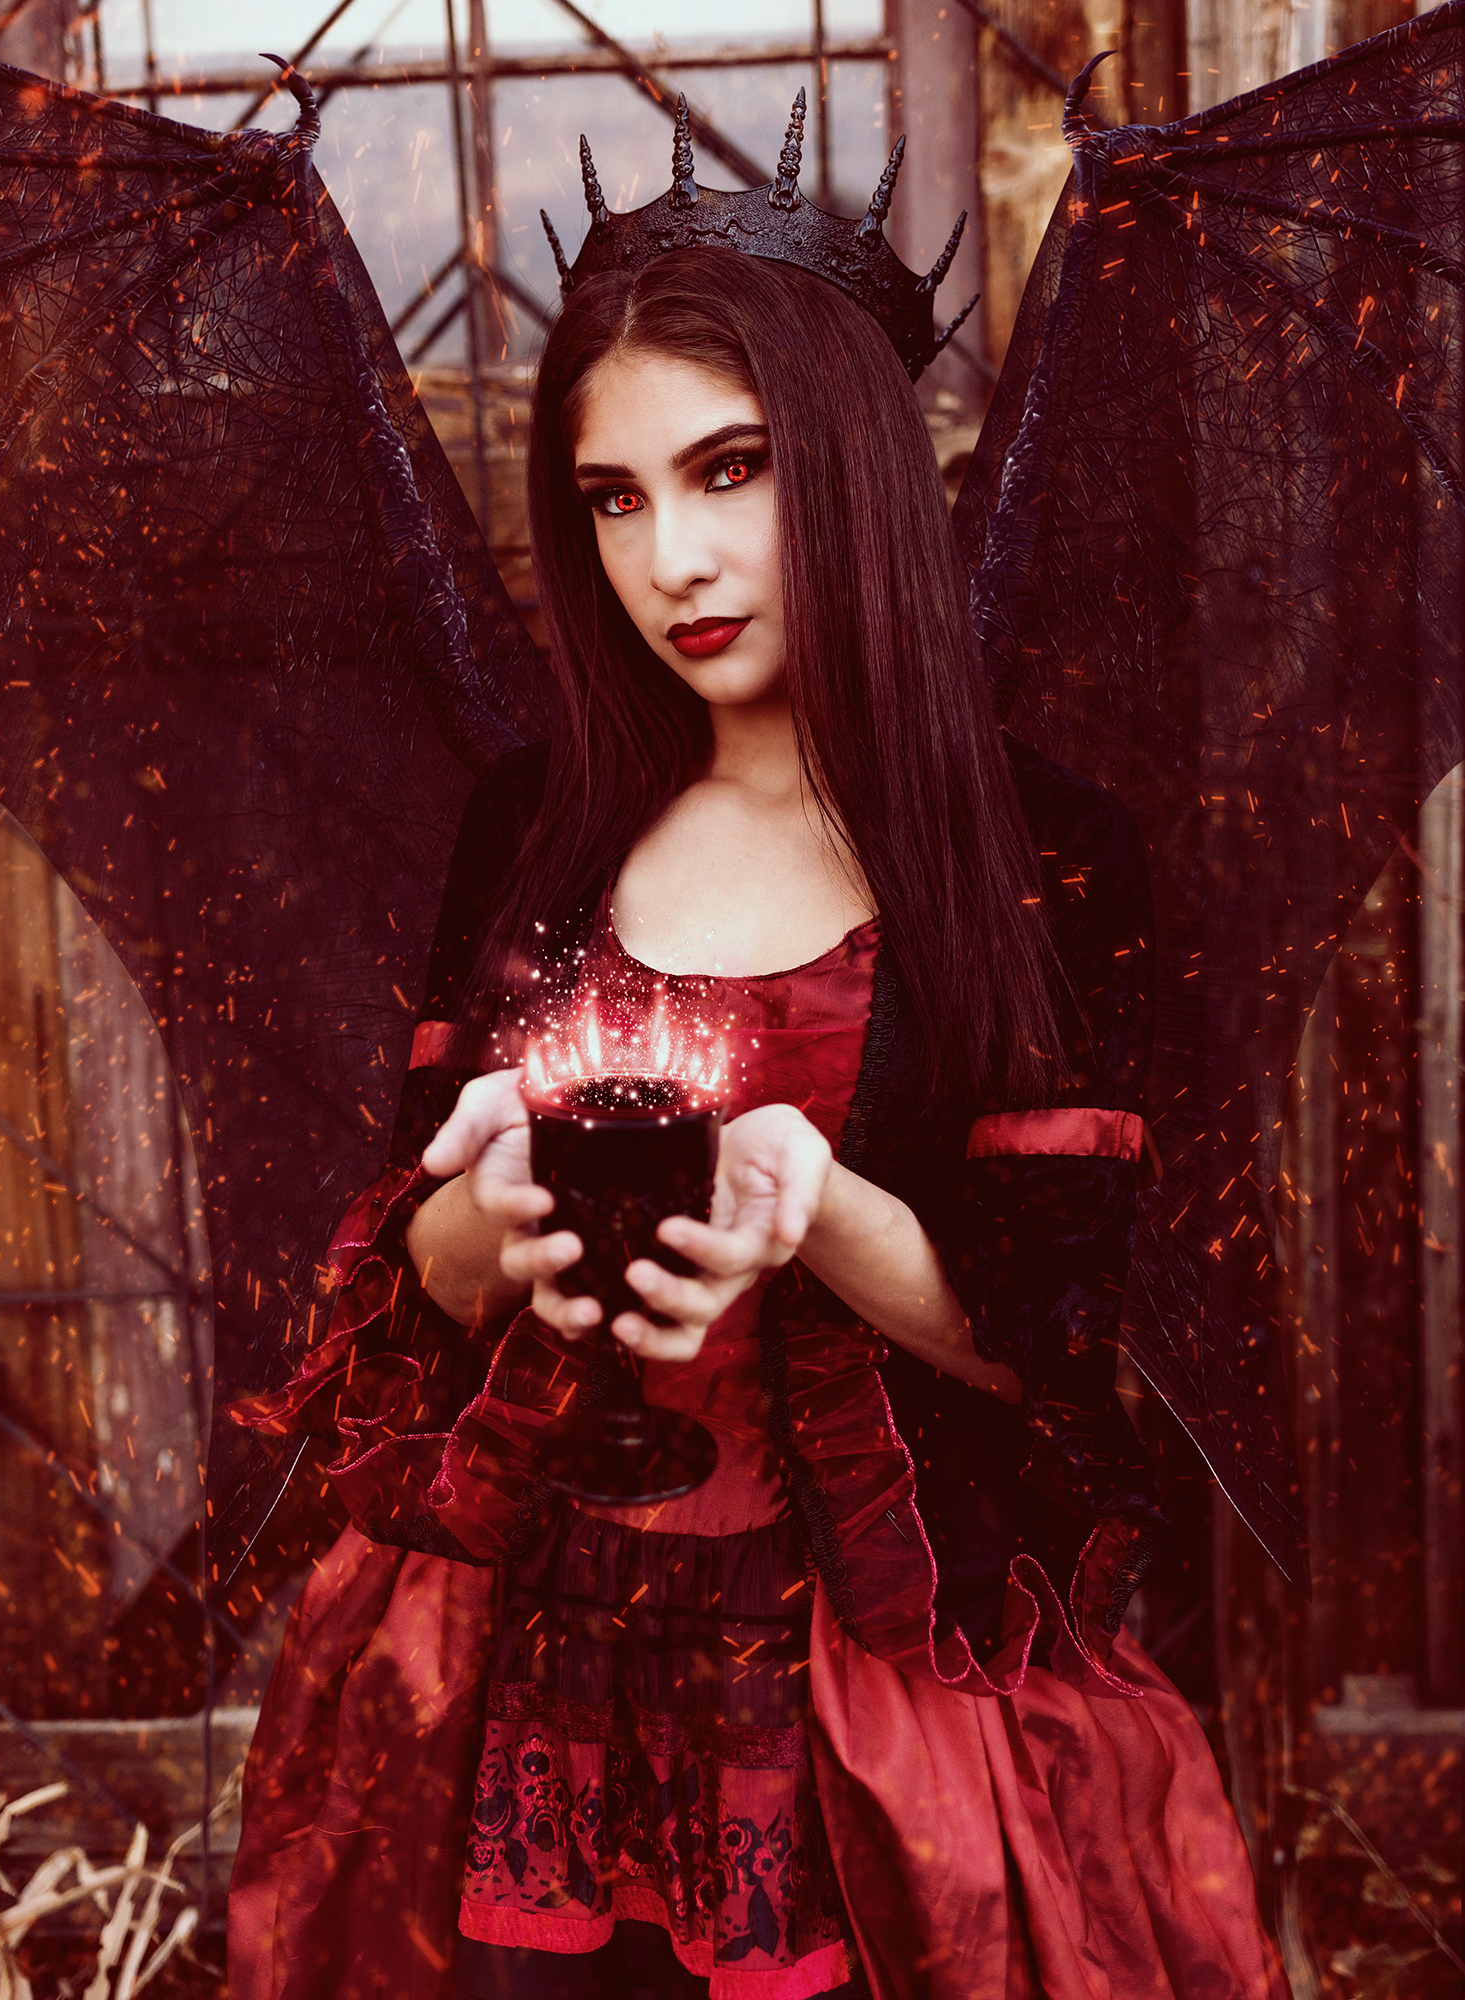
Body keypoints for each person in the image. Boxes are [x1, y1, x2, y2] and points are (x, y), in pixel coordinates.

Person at [227, 244, 1288, 2000]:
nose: (671, 562)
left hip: (870, 1676)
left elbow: (1062, 1351)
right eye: (613, 499)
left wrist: (826, 1213)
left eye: (731, 471)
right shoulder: (531, 826)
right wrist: (480, 1223)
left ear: (856, 463)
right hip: (524, 1653)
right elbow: (408, 1276)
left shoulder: (1041, 855)